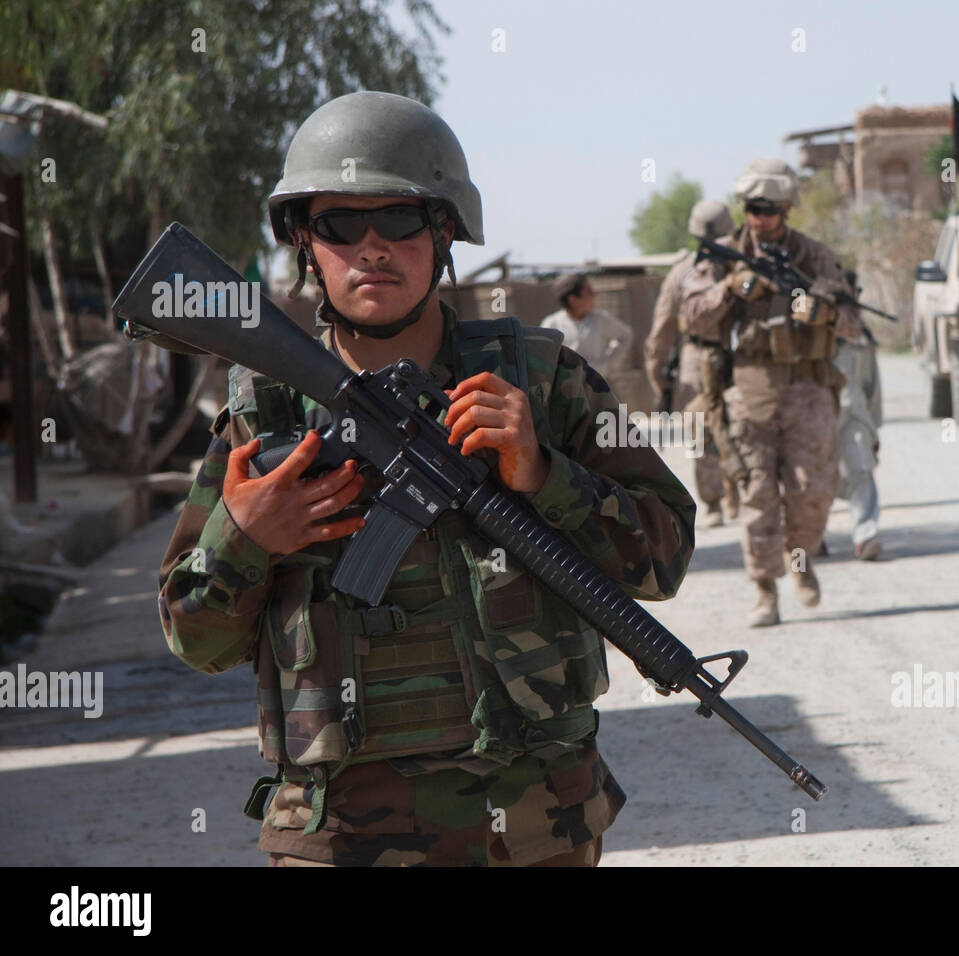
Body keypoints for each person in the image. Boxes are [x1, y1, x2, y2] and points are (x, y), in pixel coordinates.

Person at [156, 91, 696, 867]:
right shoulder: (261, 410)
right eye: (341, 224)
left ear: (444, 233)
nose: (372, 247)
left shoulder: (543, 384)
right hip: (339, 837)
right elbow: (194, 640)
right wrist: (246, 540)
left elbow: (665, 557)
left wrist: (544, 475)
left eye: (400, 220)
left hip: (538, 823)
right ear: (306, 240)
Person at [678, 159, 859, 627]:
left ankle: (801, 561)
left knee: (813, 492)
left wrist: (822, 312)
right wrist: (728, 288)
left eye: (770, 210)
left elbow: (855, 321)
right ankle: (765, 590)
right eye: (753, 209)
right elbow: (691, 315)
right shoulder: (722, 255)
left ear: (787, 209)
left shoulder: (814, 255)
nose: (760, 219)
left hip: (808, 389)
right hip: (748, 389)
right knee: (757, 494)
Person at [643, 199, 739, 527]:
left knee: (702, 430)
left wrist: (658, 376)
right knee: (728, 423)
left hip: (698, 357)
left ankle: (716, 502)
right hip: (736, 354)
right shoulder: (742, 264)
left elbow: (662, 329)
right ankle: (727, 496)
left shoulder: (681, 271)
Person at [834, 270, 883, 561]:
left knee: (861, 468)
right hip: (816, 416)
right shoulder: (809, 331)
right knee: (812, 478)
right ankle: (810, 540)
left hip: (855, 413)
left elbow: (872, 386)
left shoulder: (862, 336)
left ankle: (865, 536)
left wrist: (874, 428)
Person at [540, 274, 634, 380]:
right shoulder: (552, 325)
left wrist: (606, 363)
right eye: (589, 292)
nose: (595, 295)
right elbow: (543, 357)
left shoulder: (600, 319)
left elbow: (625, 336)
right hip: (564, 390)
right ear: (573, 299)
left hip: (596, 387)